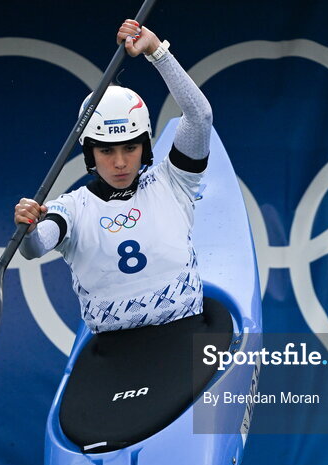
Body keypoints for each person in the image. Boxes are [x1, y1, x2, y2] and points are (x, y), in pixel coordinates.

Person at [15, 19, 212, 333]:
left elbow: (199, 117)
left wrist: (156, 51)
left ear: (144, 146)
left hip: (184, 338)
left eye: (130, 148)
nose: (120, 162)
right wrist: (28, 231)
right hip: (112, 355)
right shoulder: (71, 207)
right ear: (89, 152)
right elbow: (35, 248)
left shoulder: (173, 183)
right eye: (106, 151)